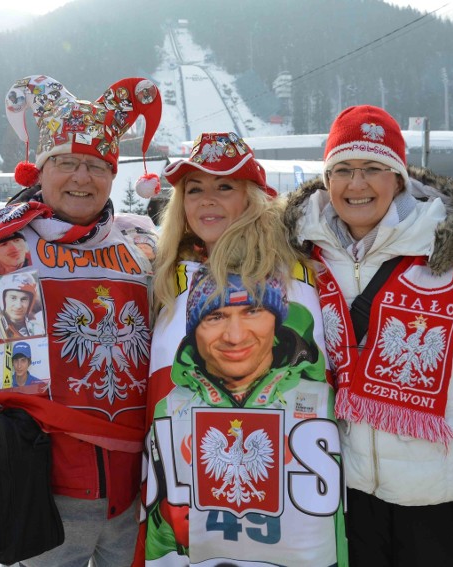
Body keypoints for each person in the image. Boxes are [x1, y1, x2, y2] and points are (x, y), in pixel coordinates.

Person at [0, 74, 162, 567]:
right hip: (34, 487)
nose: (81, 177)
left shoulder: (145, 245)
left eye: (96, 165)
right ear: (39, 170)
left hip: (137, 492)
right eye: (66, 162)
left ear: (114, 175)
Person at [284, 105, 453, 566]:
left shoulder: (450, 258)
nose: (357, 185)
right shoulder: (300, 257)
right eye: (343, 170)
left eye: (373, 168)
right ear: (326, 179)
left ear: (398, 178)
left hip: (437, 500)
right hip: (343, 491)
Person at [139, 132, 346, 566]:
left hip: (291, 509)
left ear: (251, 197)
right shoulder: (166, 272)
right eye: (194, 189)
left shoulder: (296, 269)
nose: (207, 200)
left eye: (224, 186)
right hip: (185, 499)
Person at [0, 271, 45, 338]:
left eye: (24, 299)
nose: (18, 306)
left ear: (30, 302)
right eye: (13, 298)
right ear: (3, 299)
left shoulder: (38, 329)